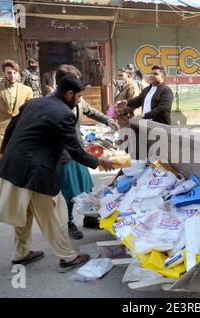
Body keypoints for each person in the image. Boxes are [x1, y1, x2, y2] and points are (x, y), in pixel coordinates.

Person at [0, 75, 116, 272]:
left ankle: (20, 254)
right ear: (69, 93)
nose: (78, 101)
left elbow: (11, 128)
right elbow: (74, 150)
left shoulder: (34, 103)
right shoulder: (63, 113)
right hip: (36, 173)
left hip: (12, 167)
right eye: (78, 97)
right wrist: (98, 161)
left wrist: (4, 154)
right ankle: (67, 258)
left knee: (22, 216)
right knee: (56, 215)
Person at [54, 64, 119, 239]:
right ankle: (68, 223)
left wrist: (108, 120)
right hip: (64, 154)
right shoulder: (54, 104)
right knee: (69, 191)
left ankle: (89, 217)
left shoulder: (76, 98)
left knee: (86, 186)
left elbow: (90, 111)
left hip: (78, 149)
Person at [0, 60, 33, 154]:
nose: (12, 75)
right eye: (9, 73)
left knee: (20, 155)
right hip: (3, 128)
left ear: (18, 74)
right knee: (4, 155)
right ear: (4, 73)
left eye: (14, 72)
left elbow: (30, 111)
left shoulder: (27, 90)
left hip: (21, 128)